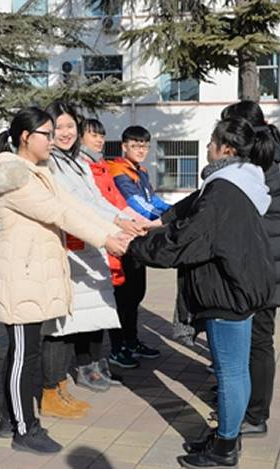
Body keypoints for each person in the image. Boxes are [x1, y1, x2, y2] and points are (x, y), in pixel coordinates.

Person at [0, 106, 129, 454]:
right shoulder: (12, 176)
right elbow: (58, 214)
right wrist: (106, 240)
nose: (53, 139)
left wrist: (113, 230)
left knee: (24, 353)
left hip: (34, 276)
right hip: (20, 278)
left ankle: (10, 417)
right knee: (23, 356)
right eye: (46, 133)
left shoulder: (39, 172)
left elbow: (74, 206)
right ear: (25, 137)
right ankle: (24, 429)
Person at [127, 118, 277, 468]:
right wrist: (155, 226)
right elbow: (187, 215)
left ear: (226, 149)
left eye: (211, 141)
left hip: (226, 290)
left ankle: (224, 449)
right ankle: (228, 436)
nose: (207, 146)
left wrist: (136, 247)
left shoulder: (223, 188)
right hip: (241, 285)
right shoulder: (240, 181)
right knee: (236, 370)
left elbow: (188, 239)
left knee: (230, 372)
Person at [40, 102, 147, 415]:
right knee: (62, 325)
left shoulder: (76, 163)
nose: (65, 133)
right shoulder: (50, 164)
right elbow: (74, 207)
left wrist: (125, 220)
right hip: (70, 249)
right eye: (58, 127)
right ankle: (56, 386)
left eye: (70, 126)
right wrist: (113, 227)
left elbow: (97, 200)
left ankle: (83, 373)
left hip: (91, 245)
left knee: (94, 313)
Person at [221, 101, 280, 437]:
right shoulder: (263, 157)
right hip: (266, 262)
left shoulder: (256, 164)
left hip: (263, 266)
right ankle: (246, 402)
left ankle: (255, 414)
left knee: (259, 341)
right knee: (254, 341)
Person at [79, 118, 152, 383]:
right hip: (104, 240)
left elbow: (116, 202)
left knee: (132, 294)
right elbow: (108, 204)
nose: (99, 140)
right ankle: (112, 352)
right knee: (114, 299)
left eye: (101, 135)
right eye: (93, 135)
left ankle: (128, 343)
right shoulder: (106, 168)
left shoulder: (110, 167)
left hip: (125, 234)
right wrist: (153, 221)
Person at [107, 126, 170, 368]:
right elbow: (137, 204)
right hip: (122, 240)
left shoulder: (140, 171)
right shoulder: (119, 171)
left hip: (138, 238)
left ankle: (131, 341)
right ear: (124, 146)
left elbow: (153, 200)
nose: (141, 150)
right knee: (123, 297)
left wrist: (174, 211)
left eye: (144, 146)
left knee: (135, 294)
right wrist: (169, 218)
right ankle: (118, 347)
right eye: (135, 145)